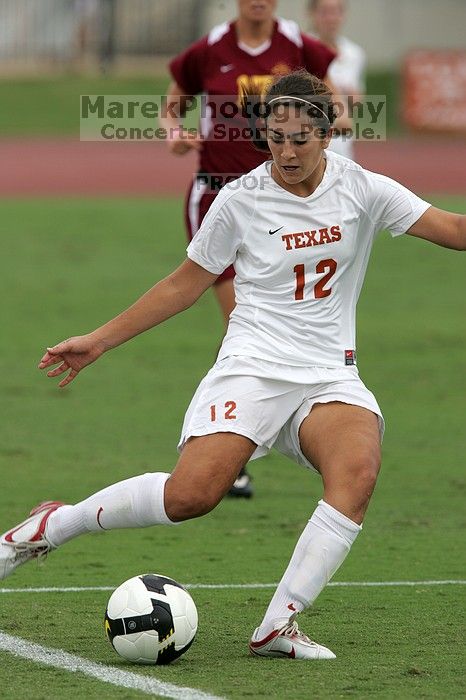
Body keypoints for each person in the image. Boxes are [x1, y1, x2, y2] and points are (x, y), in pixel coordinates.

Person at [1, 70, 464, 660]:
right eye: (275, 136)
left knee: (358, 472)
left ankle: (278, 625)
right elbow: (183, 286)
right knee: (190, 497)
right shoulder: (240, 199)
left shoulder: (362, 188)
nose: (287, 150)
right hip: (252, 366)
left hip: (328, 374)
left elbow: (453, 229)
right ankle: (50, 528)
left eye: (300, 137)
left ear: (326, 135)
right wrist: (99, 340)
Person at [161, 0, 339, 497]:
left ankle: (226, 438)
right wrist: (174, 131)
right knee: (240, 318)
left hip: (280, 204)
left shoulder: (299, 46)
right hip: (218, 195)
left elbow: (331, 99)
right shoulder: (209, 48)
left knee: (254, 324)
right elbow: (174, 103)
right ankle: (224, 448)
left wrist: (332, 122)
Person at [309, 0, 366, 160]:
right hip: (309, 138)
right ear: (312, 14)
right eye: (324, 12)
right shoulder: (301, 48)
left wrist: (353, 98)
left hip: (341, 139)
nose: (331, 18)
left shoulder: (355, 53)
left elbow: (357, 99)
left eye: (336, 12)